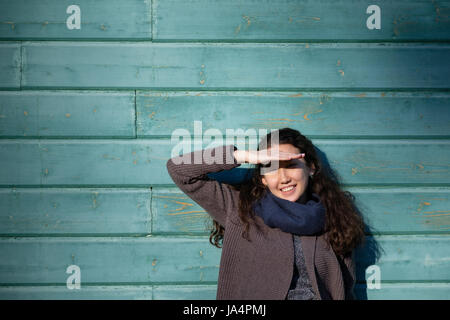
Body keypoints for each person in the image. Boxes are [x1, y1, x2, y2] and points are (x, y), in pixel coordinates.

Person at [166, 127, 365, 300]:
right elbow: (179, 170)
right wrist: (246, 156)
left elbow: (344, 287)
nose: (284, 177)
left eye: (291, 165)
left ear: (311, 168)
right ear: (262, 179)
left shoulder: (333, 216)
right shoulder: (239, 209)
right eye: (272, 168)